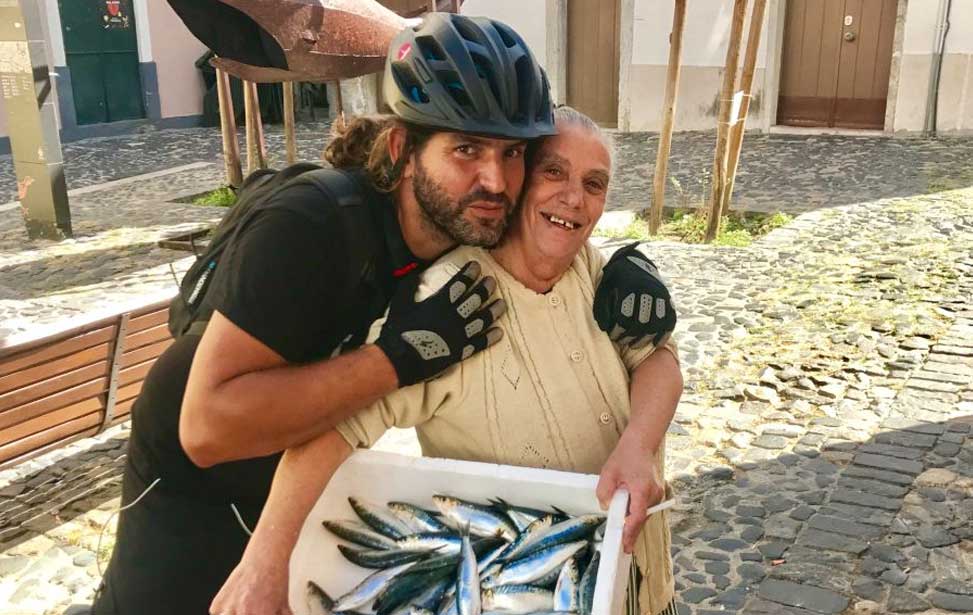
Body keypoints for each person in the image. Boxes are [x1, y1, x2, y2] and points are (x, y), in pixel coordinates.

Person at [92, 15, 675, 615]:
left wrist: (626, 270)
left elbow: (553, 238)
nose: (495, 180)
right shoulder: (311, 224)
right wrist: (395, 359)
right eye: (466, 148)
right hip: (194, 479)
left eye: (513, 154)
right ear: (402, 150)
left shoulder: (467, 224)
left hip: (300, 480)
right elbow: (207, 430)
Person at [212, 106, 682, 615]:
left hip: (645, 586)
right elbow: (333, 431)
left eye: (594, 184)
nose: (574, 197)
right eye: (553, 171)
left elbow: (658, 358)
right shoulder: (448, 300)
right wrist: (264, 561)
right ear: (519, 179)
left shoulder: (597, 271)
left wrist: (637, 447)